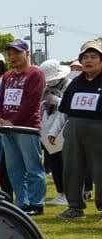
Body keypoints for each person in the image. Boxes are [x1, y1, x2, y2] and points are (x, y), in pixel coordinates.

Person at [0, 40, 47, 215]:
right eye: (10, 54)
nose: (12, 57)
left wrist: (13, 121)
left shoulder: (36, 74)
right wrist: (0, 118)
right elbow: (0, 99)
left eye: (16, 53)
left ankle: (36, 203)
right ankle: (22, 203)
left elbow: (31, 102)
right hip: (7, 129)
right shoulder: (8, 76)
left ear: (26, 53)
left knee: (33, 167)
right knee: (14, 168)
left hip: (27, 128)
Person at [57, 40, 102, 220]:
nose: (88, 61)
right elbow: (65, 108)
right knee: (72, 168)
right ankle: (74, 207)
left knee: (100, 170)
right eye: (85, 57)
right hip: (74, 127)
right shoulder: (75, 82)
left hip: (99, 129)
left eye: (93, 57)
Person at [38, 60, 72, 206]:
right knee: (54, 162)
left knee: (66, 163)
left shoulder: (69, 85)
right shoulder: (45, 89)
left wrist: (57, 100)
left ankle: (70, 193)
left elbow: (70, 105)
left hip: (64, 127)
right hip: (47, 128)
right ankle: (61, 192)